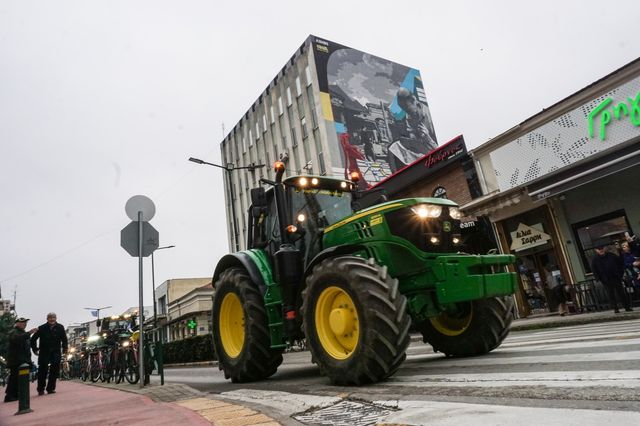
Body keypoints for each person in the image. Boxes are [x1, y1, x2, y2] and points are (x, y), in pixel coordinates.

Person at [31, 312, 68, 395]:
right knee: (42, 371)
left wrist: (65, 350)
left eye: (53, 317)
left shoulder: (60, 327)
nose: (52, 319)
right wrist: (35, 349)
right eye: (50, 318)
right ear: (47, 319)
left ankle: (50, 388)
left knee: (54, 371)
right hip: (44, 352)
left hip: (56, 352)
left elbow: (64, 340)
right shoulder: (41, 328)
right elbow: (33, 339)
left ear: (56, 318)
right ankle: (40, 389)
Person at [4, 317, 37, 402]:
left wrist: (29, 361)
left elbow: (26, 348)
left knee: (18, 379)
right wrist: (29, 333)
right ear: (17, 323)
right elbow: (16, 339)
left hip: (22, 360)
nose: (24, 324)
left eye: (25, 323)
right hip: (16, 361)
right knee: (14, 379)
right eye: (22, 322)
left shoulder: (23, 333)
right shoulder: (14, 332)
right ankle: (10, 396)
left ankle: (15, 394)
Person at [591, 245, 632, 313]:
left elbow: (620, 263)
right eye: (599, 249)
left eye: (602, 248)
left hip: (616, 277)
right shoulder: (595, 259)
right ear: (596, 250)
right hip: (605, 279)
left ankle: (627, 307)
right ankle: (615, 309)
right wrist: (598, 278)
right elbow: (594, 269)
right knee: (611, 294)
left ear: (604, 248)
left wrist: (620, 274)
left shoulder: (611, 255)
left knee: (621, 293)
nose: (601, 250)